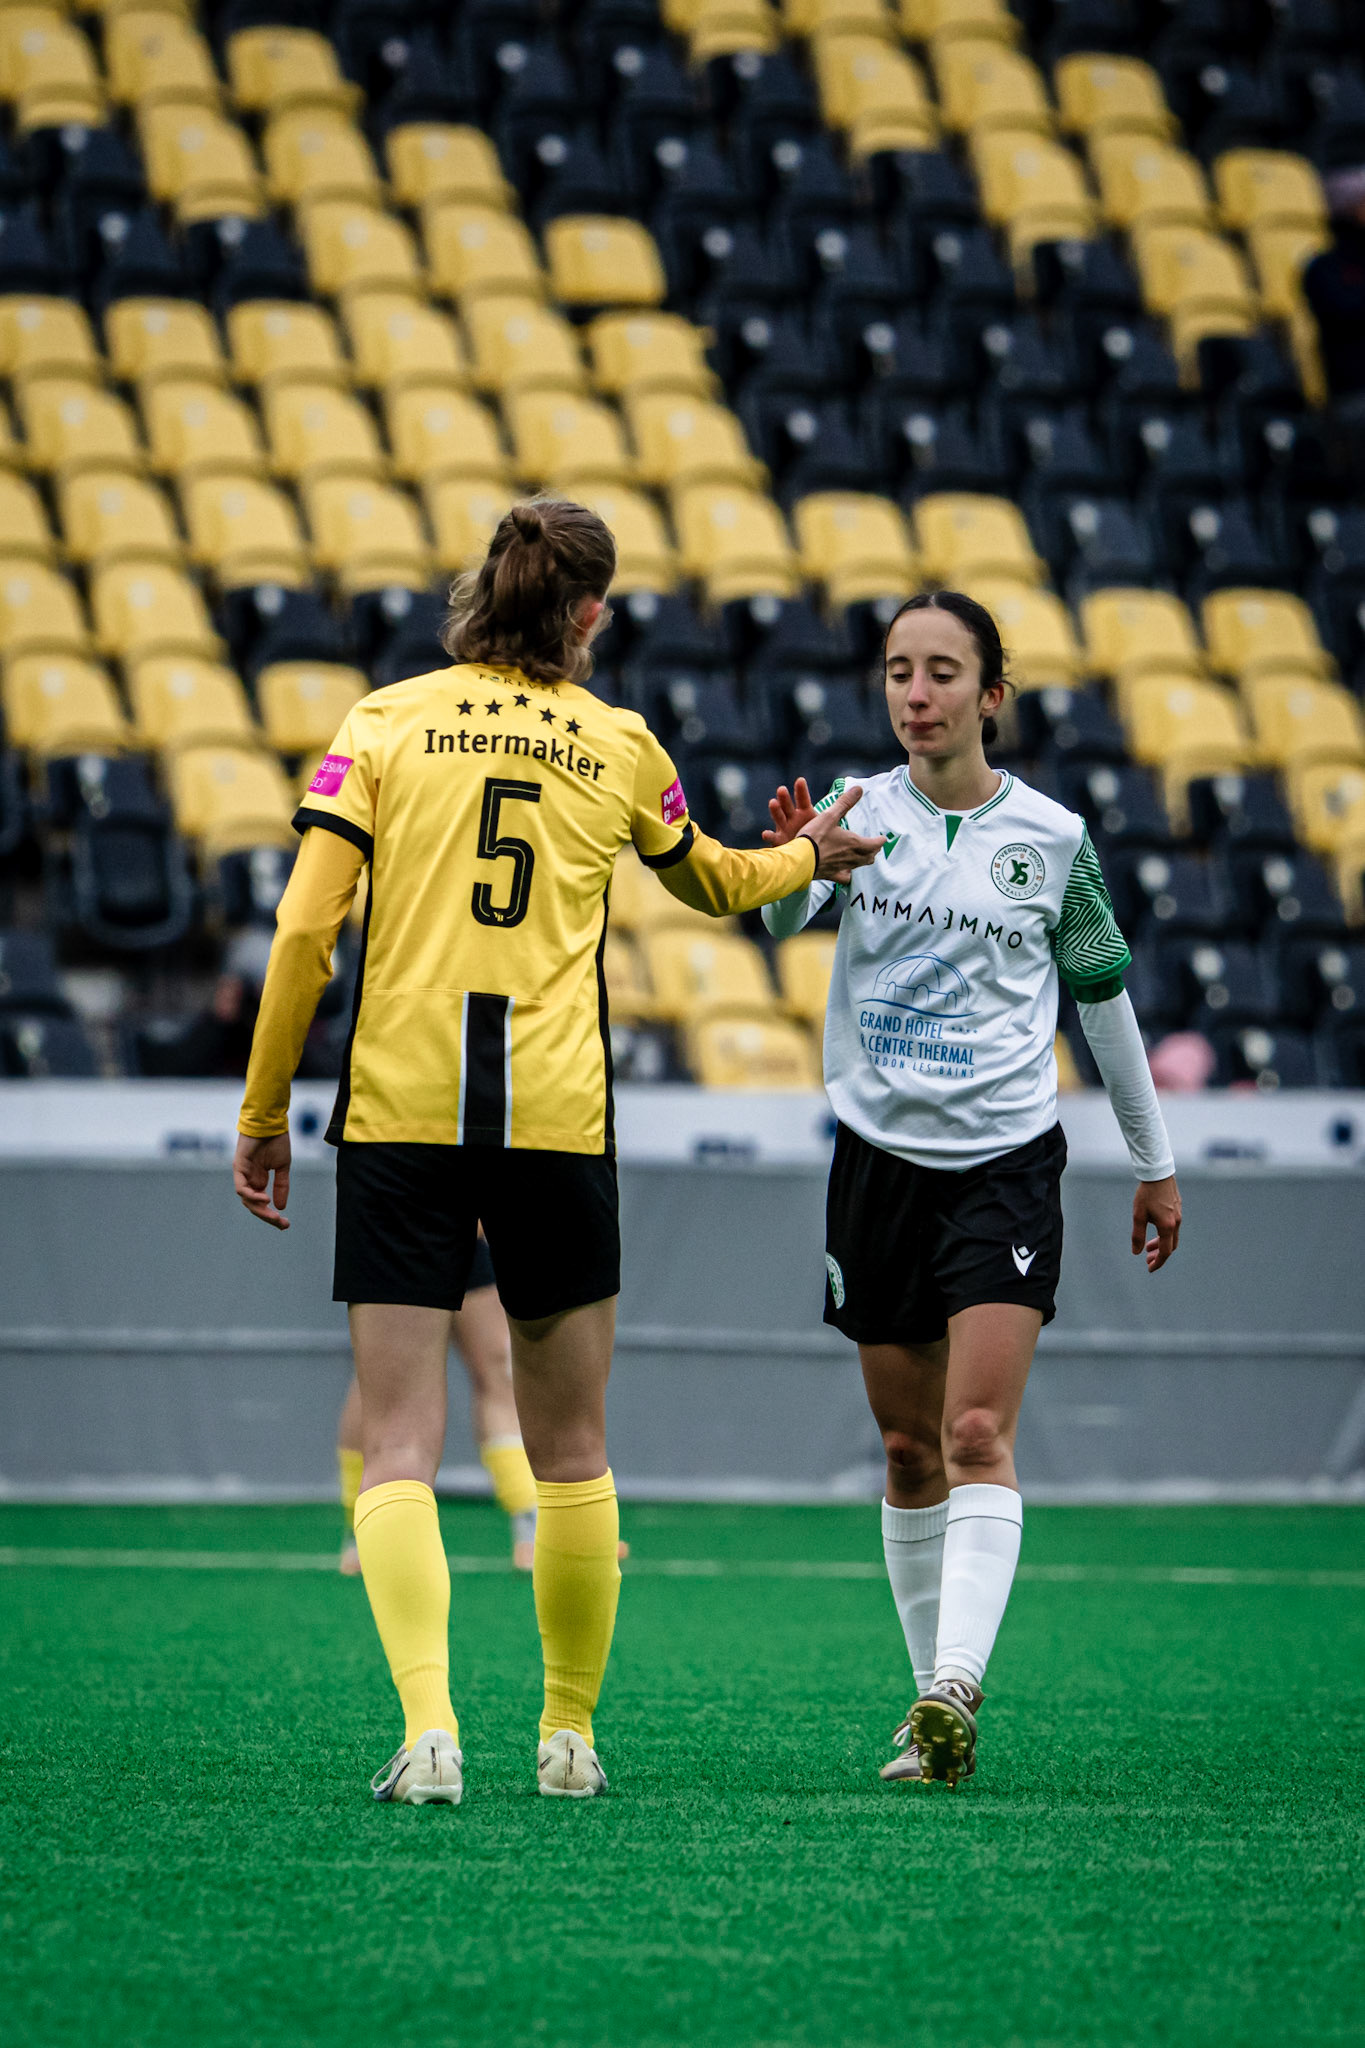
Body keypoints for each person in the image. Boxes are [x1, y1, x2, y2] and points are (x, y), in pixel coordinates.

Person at [232, 496, 882, 1808]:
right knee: (572, 1447)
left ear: (484, 590)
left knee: (402, 1445)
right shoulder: (620, 744)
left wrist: (261, 1114)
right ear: (590, 613)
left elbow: (304, 937)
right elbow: (711, 879)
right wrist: (803, 856)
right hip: (557, 1123)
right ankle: (568, 1735)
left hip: (404, 1119)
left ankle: (428, 1732)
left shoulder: (383, 722)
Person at [761, 591, 1181, 1789]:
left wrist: (1154, 1162)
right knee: (905, 1448)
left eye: (943, 672)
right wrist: (799, 858)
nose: (917, 693)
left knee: (976, 1431)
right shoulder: (858, 810)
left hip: (1003, 1162)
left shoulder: (1053, 839)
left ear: (992, 693)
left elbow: (1104, 1002)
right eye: (899, 671)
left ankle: (956, 1686)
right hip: (876, 1166)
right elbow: (786, 912)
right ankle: (926, 1714)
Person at [335, 1231, 541, 1576]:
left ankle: (529, 1517)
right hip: (398, 1230)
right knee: (382, 1378)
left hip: (466, 1240)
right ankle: (363, 1523)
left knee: (498, 1363)